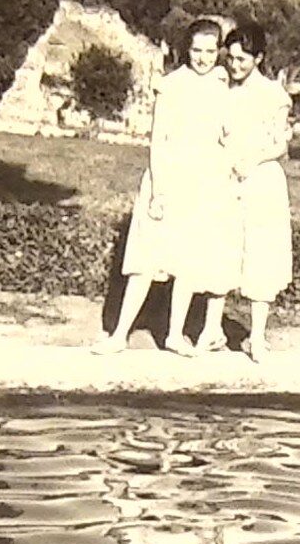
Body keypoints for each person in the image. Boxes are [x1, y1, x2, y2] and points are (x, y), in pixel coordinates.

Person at [92, 18, 240, 356]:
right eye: (196, 50)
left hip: (203, 182)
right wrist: (158, 191)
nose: (202, 58)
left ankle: (174, 334)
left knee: (187, 260)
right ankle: (119, 334)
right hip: (169, 177)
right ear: (185, 49)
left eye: (209, 51)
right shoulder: (171, 85)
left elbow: (227, 134)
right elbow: (159, 140)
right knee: (146, 259)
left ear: (218, 51)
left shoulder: (223, 86)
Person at [202, 21, 293, 363]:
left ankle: (256, 337)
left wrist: (251, 161)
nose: (235, 65)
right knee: (221, 248)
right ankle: (212, 330)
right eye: (231, 58)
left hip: (261, 181)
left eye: (243, 59)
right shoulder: (222, 89)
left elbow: (281, 144)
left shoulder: (272, 95)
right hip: (225, 177)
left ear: (259, 58)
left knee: (260, 253)